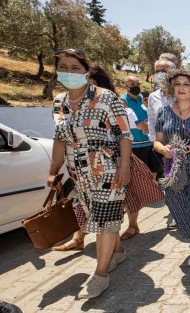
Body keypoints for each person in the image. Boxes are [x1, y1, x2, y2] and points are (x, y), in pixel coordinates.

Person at [49, 48, 132, 299]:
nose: (69, 72)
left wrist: (125, 167)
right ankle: (117, 253)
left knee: (105, 221)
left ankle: (100, 274)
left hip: (107, 169)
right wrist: (53, 172)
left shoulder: (106, 98)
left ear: (86, 71)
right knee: (96, 217)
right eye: (64, 67)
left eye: (75, 67)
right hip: (78, 173)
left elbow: (125, 135)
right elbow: (60, 140)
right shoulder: (58, 102)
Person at [53, 65, 163, 250]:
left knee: (127, 195)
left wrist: (124, 163)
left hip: (116, 157)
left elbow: (125, 130)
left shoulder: (111, 100)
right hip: (82, 164)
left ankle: (126, 234)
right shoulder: (64, 103)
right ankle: (81, 237)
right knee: (83, 201)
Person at [153, 69, 190, 267]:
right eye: (177, 84)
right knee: (180, 211)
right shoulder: (164, 112)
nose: (181, 88)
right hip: (173, 171)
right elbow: (157, 142)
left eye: (186, 84)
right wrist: (164, 150)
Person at [121, 75, 163, 239]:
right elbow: (123, 123)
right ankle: (133, 222)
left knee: (153, 174)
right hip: (134, 146)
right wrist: (138, 126)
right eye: (131, 83)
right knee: (134, 184)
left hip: (149, 143)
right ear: (125, 85)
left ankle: (146, 198)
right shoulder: (122, 101)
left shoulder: (143, 99)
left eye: (137, 83)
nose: (135, 86)